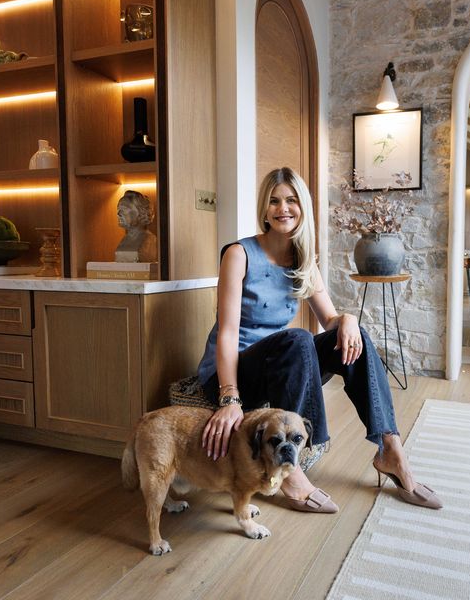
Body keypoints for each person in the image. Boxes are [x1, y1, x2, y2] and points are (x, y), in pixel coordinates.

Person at [189, 167, 441, 512]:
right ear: (264, 209)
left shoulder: (302, 259)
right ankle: (292, 473)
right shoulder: (239, 254)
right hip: (237, 372)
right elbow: (228, 332)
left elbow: (330, 320)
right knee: (298, 339)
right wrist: (229, 398)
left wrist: (348, 320)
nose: (283, 208)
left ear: (302, 207)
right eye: (274, 201)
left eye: (291, 200)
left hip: (282, 367)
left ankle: (390, 450)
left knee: (355, 337)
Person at [115, 190, 158, 263]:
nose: (118, 213)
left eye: (124, 209)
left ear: (141, 212)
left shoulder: (150, 240)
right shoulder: (125, 239)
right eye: (118, 209)